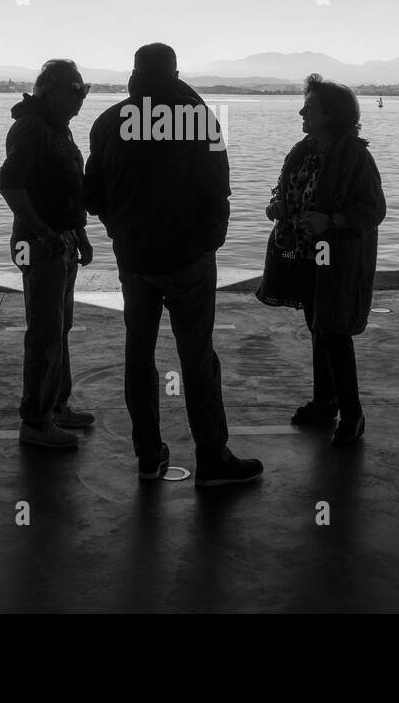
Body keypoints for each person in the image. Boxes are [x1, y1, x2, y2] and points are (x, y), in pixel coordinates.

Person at [84, 43, 263, 487]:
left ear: (134, 73)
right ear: (176, 71)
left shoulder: (108, 122)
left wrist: (118, 232)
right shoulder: (197, 118)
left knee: (138, 355)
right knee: (198, 357)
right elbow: (218, 189)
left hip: (133, 260)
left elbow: (94, 197)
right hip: (188, 258)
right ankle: (212, 458)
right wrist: (209, 244)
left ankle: (147, 456)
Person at [257, 74, 386, 447]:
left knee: (334, 332)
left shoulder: (355, 157)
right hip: (306, 255)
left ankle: (353, 414)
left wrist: (333, 221)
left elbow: (374, 208)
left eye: (310, 106)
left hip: (339, 259)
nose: (302, 111)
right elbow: (285, 192)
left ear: (331, 115)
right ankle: (325, 402)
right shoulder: (304, 151)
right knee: (319, 328)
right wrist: (277, 206)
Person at [0, 59, 96, 449]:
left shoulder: (57, 128)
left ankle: (57, 406)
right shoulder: (31, 129)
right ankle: (36, 421)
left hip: (63, 239)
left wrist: (80, 234)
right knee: (44, 332)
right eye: (75, 91)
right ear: (51, 89)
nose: (81, 99)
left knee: (60, 328)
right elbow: (10, 185)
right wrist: (44, 232)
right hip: (40, 245)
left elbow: (67, 188)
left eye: (83, 92)